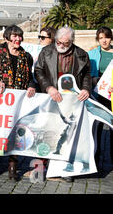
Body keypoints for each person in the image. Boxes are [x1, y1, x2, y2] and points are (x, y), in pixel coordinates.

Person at [35, 26, 92, 183]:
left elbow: (87, 74)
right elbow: (38, 71)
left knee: (69, 135)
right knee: (48, 132)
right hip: (51, 98)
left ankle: (66, 168)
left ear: (72, 41)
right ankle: (41, 166)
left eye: (65, 43)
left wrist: (86, 88)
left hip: (72, 101)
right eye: (58, 42)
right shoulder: (46, 52)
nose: (61, 45)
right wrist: (48, 87)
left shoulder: (81, 54)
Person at [0, 25, 37, 182]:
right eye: (15, 36)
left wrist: (31, 85)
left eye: (20, 36)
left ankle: (12, 166)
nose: (18, 39)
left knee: (16, 133)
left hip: (18, 102)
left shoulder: (26, 56)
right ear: (7, 38)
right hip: (0, 101)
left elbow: (30, 77)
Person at [88, 27, 113, 165]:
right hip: (98, 95)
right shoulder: (92, 54)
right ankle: (94, 159)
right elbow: (87, 75)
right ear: (98, 39)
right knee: (96, 128)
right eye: (101, 37)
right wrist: (95, 80)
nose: (104, 40)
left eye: (107, 37)